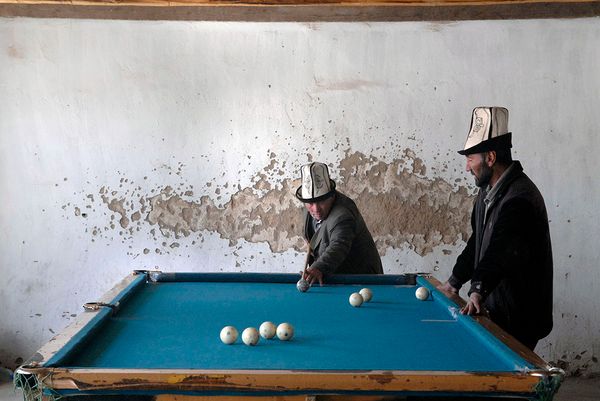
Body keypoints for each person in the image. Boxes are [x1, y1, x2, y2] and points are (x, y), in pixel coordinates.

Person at [438, 107, 553, 350]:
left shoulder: (520, 198)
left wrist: (477, 290)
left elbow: (502, 250)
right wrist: (454, 282)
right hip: (497, 308)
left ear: (490, 158)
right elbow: (478, 242)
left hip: (519, 316)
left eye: (471, 159)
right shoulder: (486, 193)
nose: (467, 167)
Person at [295, 162, 383, 285]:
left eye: (321, 201)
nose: (316, 209)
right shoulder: (307, 208)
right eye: (310, 203)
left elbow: (339, 245)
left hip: (361, 280)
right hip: (334, 276)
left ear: (332, 196)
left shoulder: (343, 215)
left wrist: (318, 267)